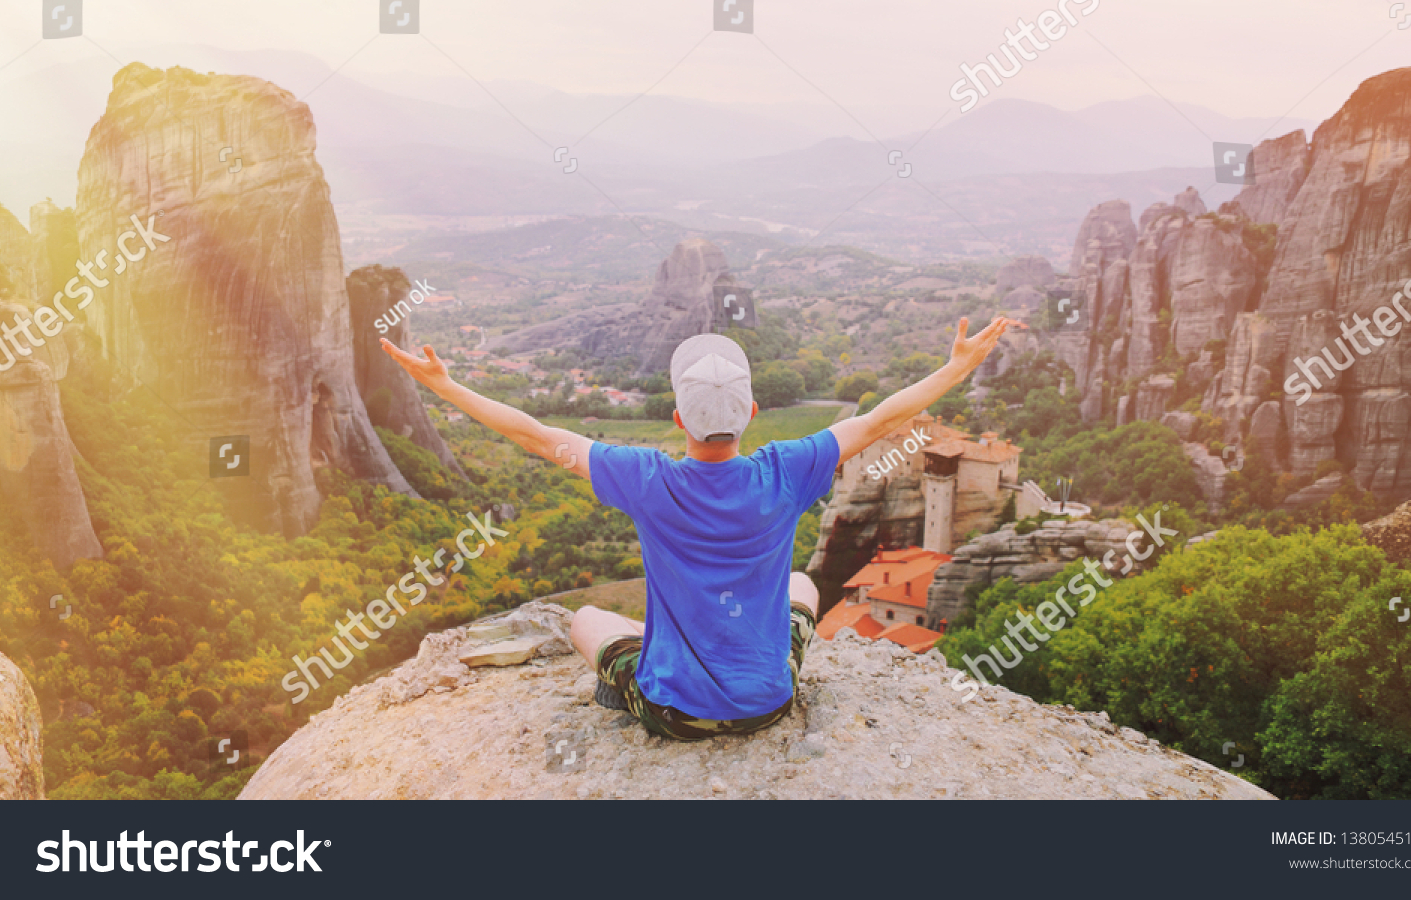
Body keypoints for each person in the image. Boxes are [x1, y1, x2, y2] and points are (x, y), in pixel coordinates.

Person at [380, 314, 1023, 741]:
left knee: (584, 622)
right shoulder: (788, 469)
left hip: (675, 714)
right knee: (803, 586)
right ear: (750, 410)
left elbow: (539, 437)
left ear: (678, 417)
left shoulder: (645, 478)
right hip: (770, 703)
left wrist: (447, 386)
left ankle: (653, 662)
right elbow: (882, 420)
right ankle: (747, 651)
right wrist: (956, 367)